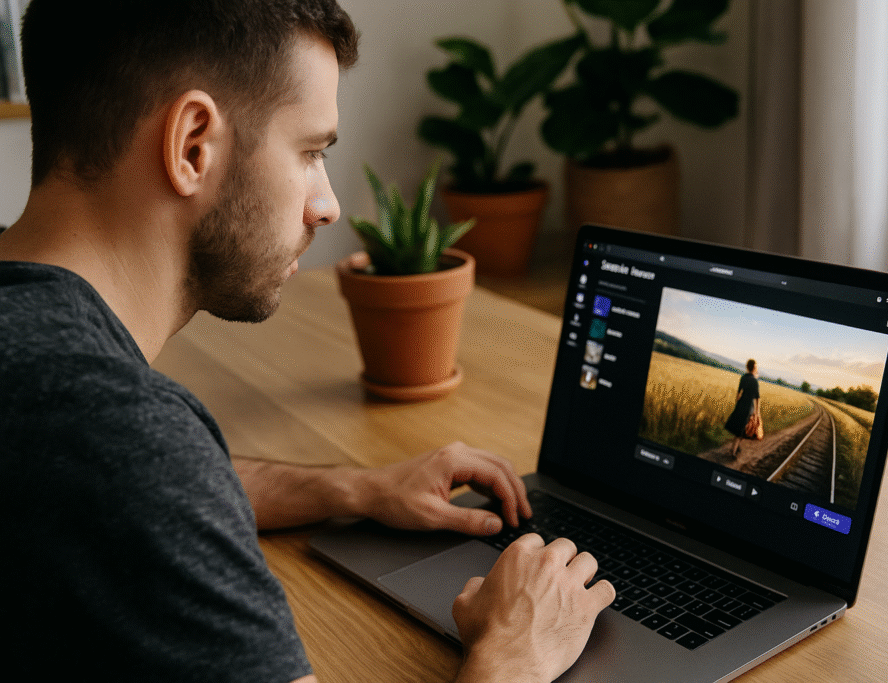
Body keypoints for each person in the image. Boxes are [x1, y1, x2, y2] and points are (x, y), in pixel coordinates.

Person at [0, 2, 613, 682]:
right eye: (311, 152)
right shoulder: (117, 436)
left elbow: (117, 487)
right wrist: (514, 652)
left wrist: (356, 489)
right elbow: (134, 471)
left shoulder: (54, 394)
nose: (328, 205)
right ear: (193, 145)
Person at [724, 358, 762, 457]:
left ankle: (736, 448)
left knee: (741, 429)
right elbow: (757, 398)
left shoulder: (743, 377)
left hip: (741, 404)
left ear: (747, 367)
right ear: (754, 368)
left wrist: (738, 404)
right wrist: (757, 412)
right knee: (743, 430)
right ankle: (733, 452)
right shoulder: (755, 381)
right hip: (749, 407)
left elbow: (738, 393)